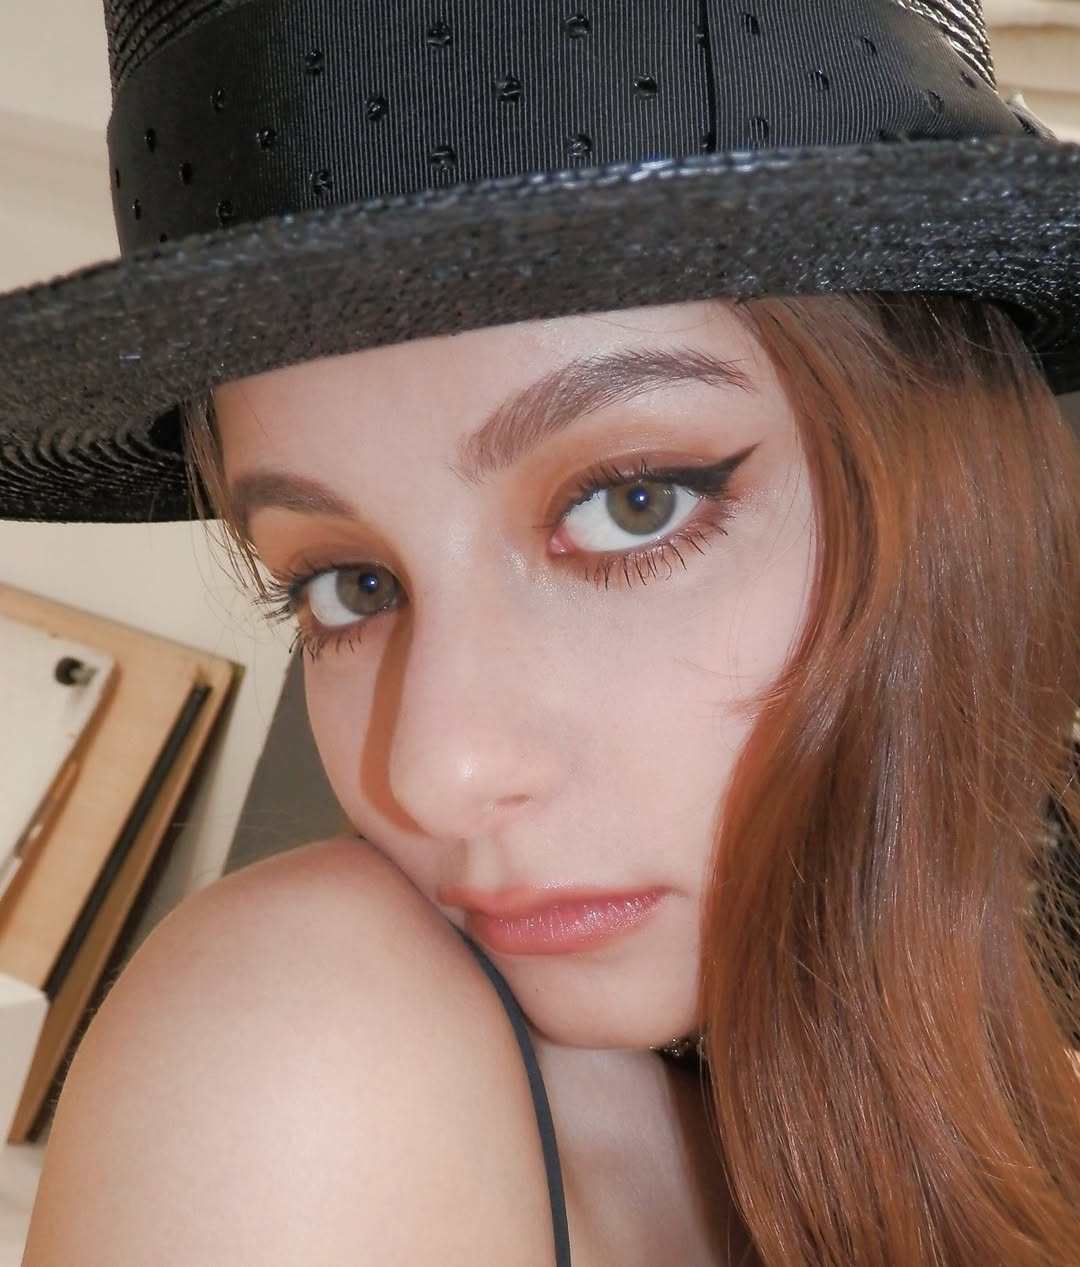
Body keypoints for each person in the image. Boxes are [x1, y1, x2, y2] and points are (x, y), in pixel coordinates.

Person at [2, 1, 1078, 1264]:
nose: (439, 772)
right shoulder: (301, 1056)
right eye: (348, 582)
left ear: (955, 486)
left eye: (632, 504)